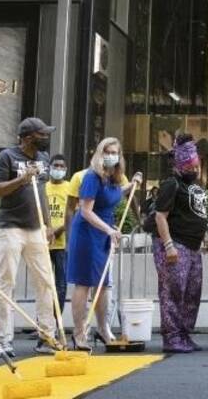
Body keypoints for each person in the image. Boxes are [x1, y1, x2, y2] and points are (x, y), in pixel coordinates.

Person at [0, 117, 58, 357]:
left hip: (36, 228)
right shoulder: (6, 157)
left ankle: (47, 336)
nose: (46, 139)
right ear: (28, 137)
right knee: (7, 282)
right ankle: (4, 339)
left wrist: (48, 224)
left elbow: (43, 192)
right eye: (42, 135)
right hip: (11, 228)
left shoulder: (43, 159)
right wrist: (21, 179)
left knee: (46, 282)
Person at [67, 137, 138, 350]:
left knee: (103, 284)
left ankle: (103, 329)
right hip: (88, 232)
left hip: (105, 234)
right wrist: (109, 230)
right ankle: (79, 333)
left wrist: (131, 185)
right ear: (100, 153)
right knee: (84, 283)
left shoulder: (113, 178)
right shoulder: (92, 177)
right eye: (107, 151)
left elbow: (113, 195)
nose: (111, 155)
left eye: (115, 152)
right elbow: (85, 211)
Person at [153, 134, 208, 353]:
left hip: (193, 247)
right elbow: (160, 216)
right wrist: (168, 245)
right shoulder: (171, 185)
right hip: (175, 244)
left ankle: (184, 334)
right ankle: (172, 336)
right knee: (173, 290)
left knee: (192, 291)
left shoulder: (195, 186)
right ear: (181, 165)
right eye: (191, 166)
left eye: (197, 165)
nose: (195, 169)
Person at [47, 155, 71, 314]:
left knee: (61, 285)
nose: (59, 169)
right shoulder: (44, 187)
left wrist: (57, 230)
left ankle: (57, 321)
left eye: (62, 166)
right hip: (44, 242)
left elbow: (72, 214)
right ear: (50, 167)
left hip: (63, 244)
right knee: (44, 284)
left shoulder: (70, 188)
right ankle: (43, 322)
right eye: (56, 165)